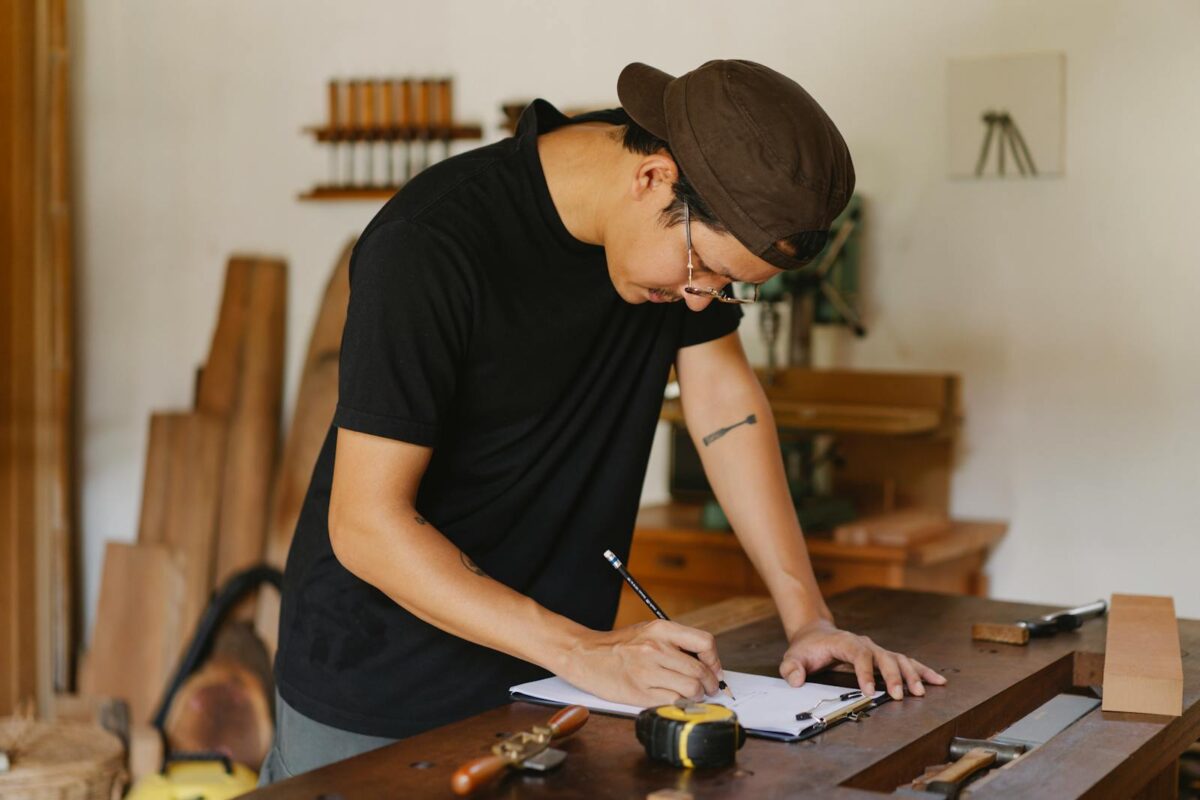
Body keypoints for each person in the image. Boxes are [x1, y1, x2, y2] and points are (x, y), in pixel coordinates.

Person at [260, 59, 946, 783]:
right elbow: (367, 525)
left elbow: (726, 408)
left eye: (725, 290)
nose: (696, 301)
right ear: (653, 178)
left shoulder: (673, 253)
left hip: (554, 682)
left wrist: (807, 617)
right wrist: (583, 650)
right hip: (379, 689)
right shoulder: (429, 245)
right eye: (699, 270)